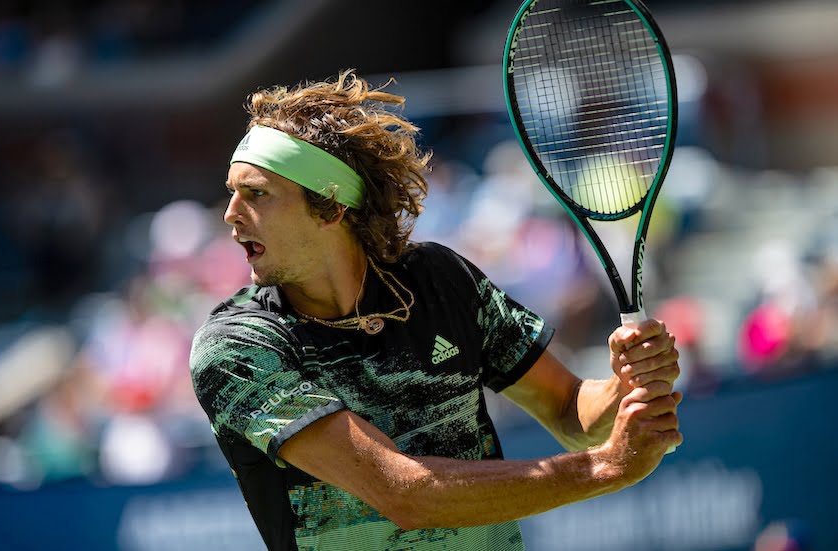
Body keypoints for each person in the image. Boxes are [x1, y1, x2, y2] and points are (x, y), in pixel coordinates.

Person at [190, 70, 682, 551]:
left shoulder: (439, 280)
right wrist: (605, 467)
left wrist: (624, 384)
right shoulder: (238, 347)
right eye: (232, 192)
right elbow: (404, 494)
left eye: (256, 194)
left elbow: (567, 409)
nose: (230, 213)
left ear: (332, 205)